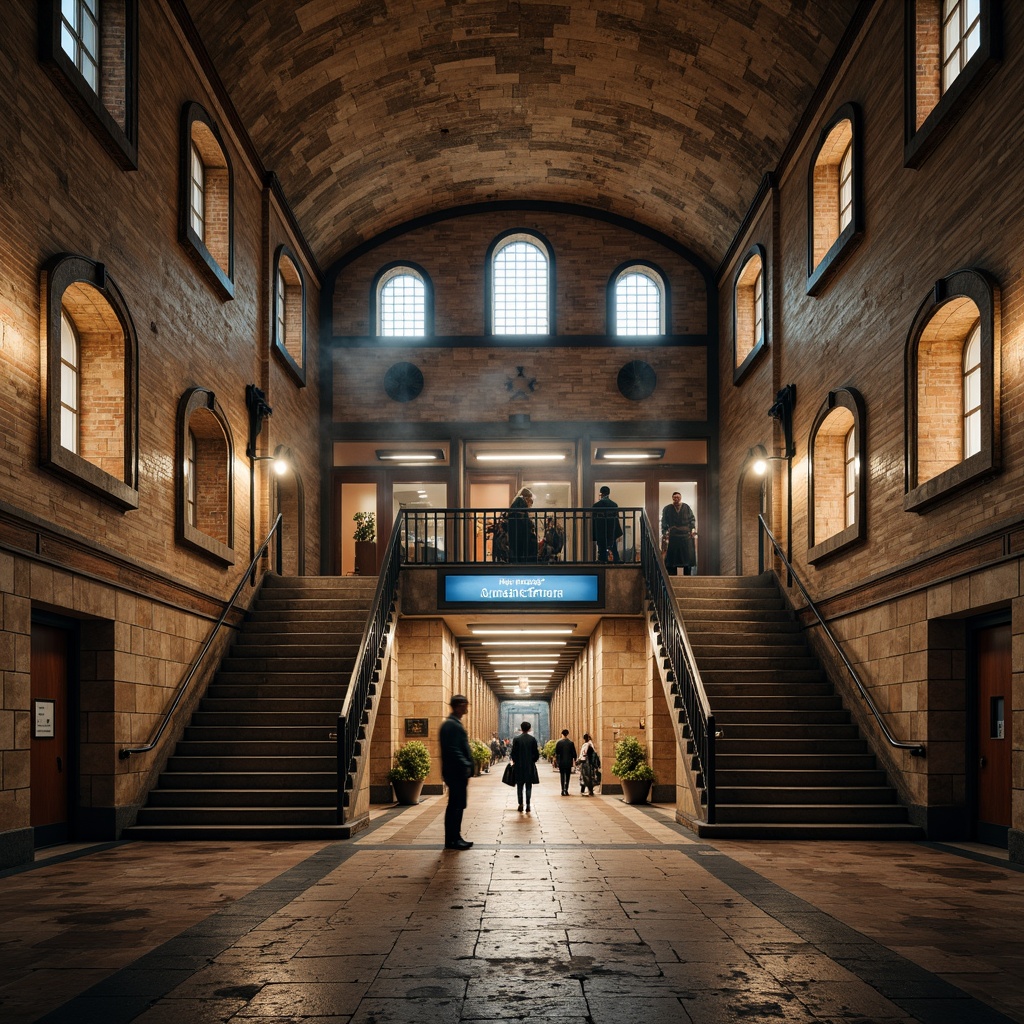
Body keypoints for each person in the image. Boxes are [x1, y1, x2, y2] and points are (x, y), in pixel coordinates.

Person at [438, 694, 474, 849]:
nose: (467, 708)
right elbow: (453, 749)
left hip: (455, 772)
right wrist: (465, 763)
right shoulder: (451, 725)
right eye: (466, 704)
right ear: (460, 706)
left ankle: (454, 837)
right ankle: (453, 839)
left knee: (456, 805)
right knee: (456, 806)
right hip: (456, 772)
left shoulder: (452, 723)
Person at [661, 491, 697, 575]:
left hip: (685, 536)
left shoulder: (686, 507)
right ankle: (672, 578)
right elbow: (664, 521)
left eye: (678, 497)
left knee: (687, 560)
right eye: (675, 497)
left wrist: (693, 529)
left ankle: (687, 578)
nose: (676, 499)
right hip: (673, 536)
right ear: (672, 498)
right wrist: (665, 532)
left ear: (680, 498)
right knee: (672, 561)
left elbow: (692, 519)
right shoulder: (667, 508)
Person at [510, 720, 540, 812]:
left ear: (521, 728)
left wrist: (515, 761)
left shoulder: (516, 739)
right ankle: (528, 805)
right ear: (529, 729)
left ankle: (520, 804)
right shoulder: (533, 739)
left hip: (519, 766)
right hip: (529, 766)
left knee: (519, 786)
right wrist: (532, 761)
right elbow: (536, 754)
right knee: (528, 786)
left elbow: (513, 753)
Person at [591, 485, 623, 563]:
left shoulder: (596, 506)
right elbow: (616, 518)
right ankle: (616, 560)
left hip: (600, 529)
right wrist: (618, 531)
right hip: (612, 528)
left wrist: (594, 535)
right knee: (613, 546)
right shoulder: (614, 505)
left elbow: (594, 520)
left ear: (601, 494)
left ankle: (602, 560)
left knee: (601, 548)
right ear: (609, 493)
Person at [507, 487, 537, 561]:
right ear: (527, 497)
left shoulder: (518, 501)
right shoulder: (521, 500)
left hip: (516, 530)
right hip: (519, 531)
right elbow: (522, 516)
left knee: (516, 549)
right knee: (520, 549)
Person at [554, 729, 578, 796]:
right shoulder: (571, 743)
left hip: (561, 762)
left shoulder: (559, 743)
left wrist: (557, 761)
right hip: (568, 762)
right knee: (567, 776)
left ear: (562, 734)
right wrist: (574, 760)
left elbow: (556, 753)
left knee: (562, 776)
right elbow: (574, 754)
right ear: (567, 734)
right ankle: (566, 790)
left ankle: (562, 790)